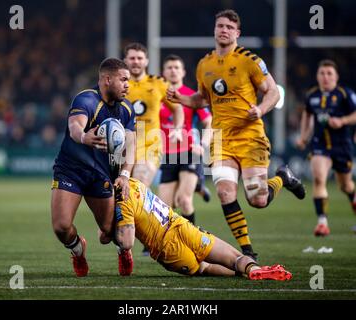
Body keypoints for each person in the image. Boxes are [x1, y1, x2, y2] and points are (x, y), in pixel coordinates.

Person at [167, 9, 305, 260]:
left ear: (237, 33)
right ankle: (247, 251)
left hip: (250, 136)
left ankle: (282, 178)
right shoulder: (204, 64)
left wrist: (261, 109)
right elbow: (203, 99)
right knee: (225, 193)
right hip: (222, 139)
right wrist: (182, 99)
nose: (224, 30)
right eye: (220, 26)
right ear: (214, 30)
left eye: (229, 27)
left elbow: (273, 92)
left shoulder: (250, 60)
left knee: (257, 199)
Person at [101, 178, 292, 281]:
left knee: (205, 268)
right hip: (180, 225)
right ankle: (254, 269)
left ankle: (245, 273)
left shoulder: (122, 204)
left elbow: (126, 242)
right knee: (235, 258)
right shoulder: (136, 183)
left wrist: (109, 228)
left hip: (168, 249)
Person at [51, 58, 136, 277]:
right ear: (107, 79)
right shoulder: (87, 99)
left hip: (101, 174)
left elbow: (131, 144)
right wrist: (83, 137)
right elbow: (74, 126)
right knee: (61, 227)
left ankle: (122, 250)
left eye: (129, 80)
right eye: (123, 79)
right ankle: (78, 251)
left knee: (107, 233)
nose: (128, 84)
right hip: (71, 169)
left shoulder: (127, 108)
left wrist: (125, 174)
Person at [296, 59, 356, 236]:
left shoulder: (345, 94)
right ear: (317, 76)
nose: (325, 77)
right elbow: (307, 115)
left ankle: (352, 196)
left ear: (336, 76)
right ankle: (322, 223)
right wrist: (304, 137)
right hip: (319, 144)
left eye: (329, 73)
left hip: (342, 146)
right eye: (322, 73)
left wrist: (343, 121)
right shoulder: (312, 95)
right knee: (319, 179)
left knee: (345, 185)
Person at [159, 54, 213, 225]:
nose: (173, 71)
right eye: (169, 67)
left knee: (183, 199)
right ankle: (162, 245)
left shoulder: (191, 96)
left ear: (183, 72)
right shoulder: (157, 96)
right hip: (167, 154)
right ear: (164, 72)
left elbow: (209, 122)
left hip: (189, 152)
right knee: (165, 207)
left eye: (177, 68)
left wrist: (203, 146)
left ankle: (192, 241)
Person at [124, 43, 184, 188]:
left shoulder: (159, 83)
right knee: (120, 194)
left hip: (150, 146)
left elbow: (177, 109)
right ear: (125, 61)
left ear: (146, 61)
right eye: (132, 58)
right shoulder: (120, 84)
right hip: (123, 147)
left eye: (139, 58)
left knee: (138, 185)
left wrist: (177, 129)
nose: (136, 61)